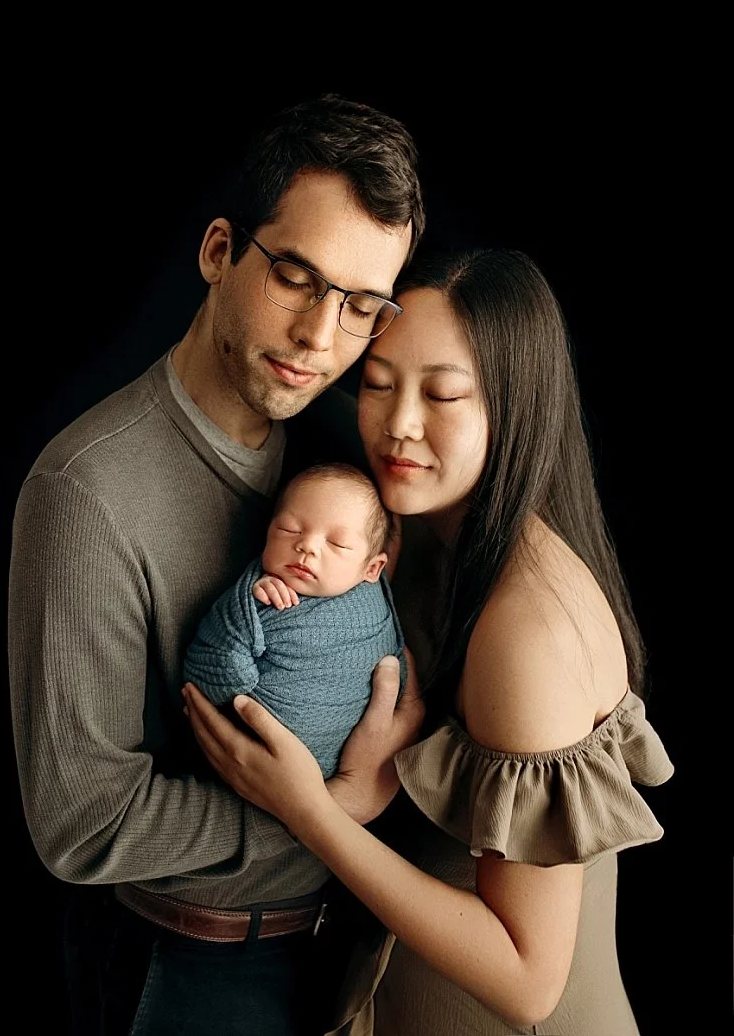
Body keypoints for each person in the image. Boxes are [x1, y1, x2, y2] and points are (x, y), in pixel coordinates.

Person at [7, 93, 426, 1036]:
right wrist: (322, 815)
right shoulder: (87, 493)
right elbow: (82, 821)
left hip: (339, 946)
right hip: (189, 973)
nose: (322, 338)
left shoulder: (334, 452)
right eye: (296, 277)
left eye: (360, 305)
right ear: (218, 253)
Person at [183, 245, 676, 1036]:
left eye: (443, 395)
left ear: (516, 409)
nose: (398, 426)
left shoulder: (528, 632)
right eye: (376, 387)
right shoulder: (416, 536)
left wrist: (315, 811)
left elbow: (526, 982)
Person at [184, 462, 407, 778]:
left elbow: (394, 661)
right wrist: (247, 602)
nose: (307, 546)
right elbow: (208, 665)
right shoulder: (262, 597)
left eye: (337, 543)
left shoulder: (375, 605)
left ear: (372, 569)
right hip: (252, 761)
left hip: (356, 764)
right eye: (288, 529)